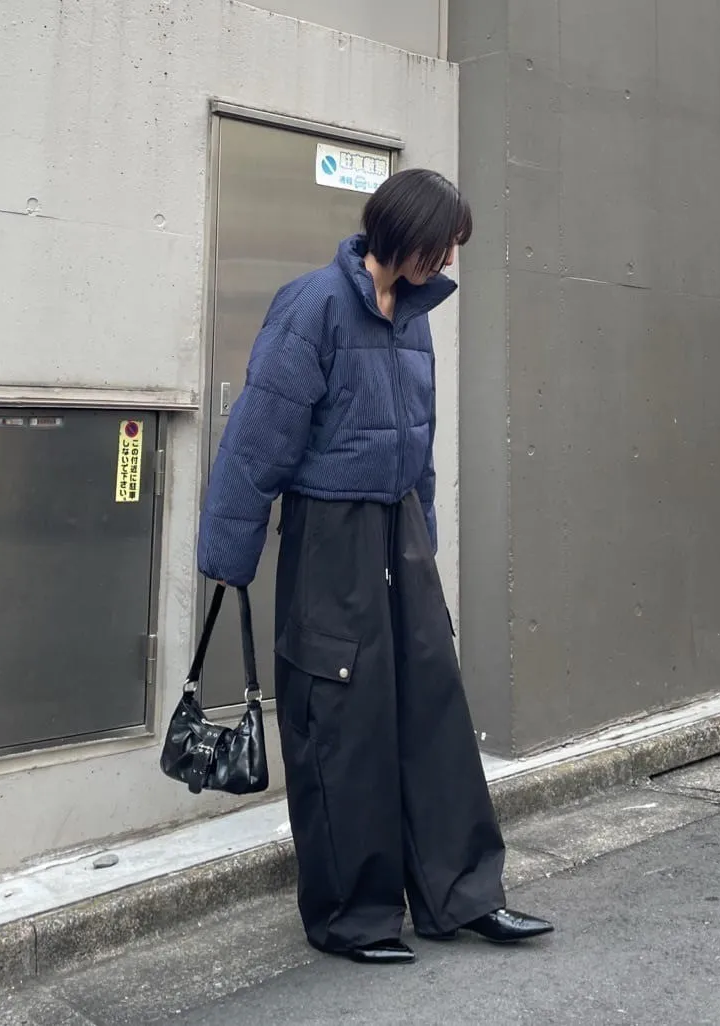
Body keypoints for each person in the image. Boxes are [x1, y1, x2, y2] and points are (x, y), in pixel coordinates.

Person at [198, 168, 554, 965]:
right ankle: (352, 916)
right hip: (330, 534)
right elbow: (257, 438)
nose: (447, 262)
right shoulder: (312, 305)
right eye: (441, 245)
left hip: (399, 531)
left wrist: (423, 534)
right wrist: (228, 555)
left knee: (432, 706)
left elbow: (418, 438)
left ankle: (462, 895)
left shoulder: (415, 317)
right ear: (401, 232)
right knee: (343, 718)